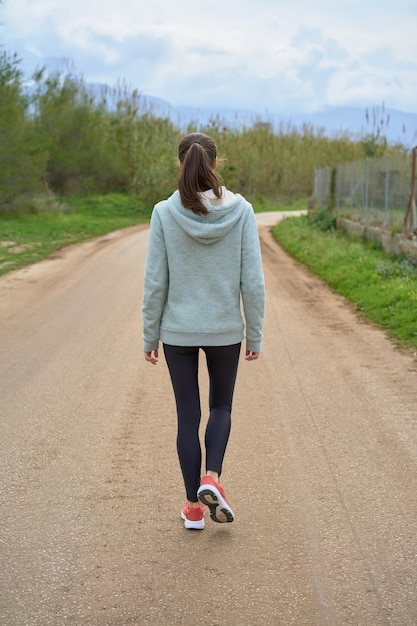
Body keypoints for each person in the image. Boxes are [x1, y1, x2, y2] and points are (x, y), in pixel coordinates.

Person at [142, 132, 265, 530]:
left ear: (181, 164)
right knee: (221, 407)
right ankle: (212, 478)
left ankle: (194, 508)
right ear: (215, 164)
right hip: (225, 330)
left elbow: (155, 282)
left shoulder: (164, 212)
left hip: (176, 332)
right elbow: (253, 281)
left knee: (186, 415)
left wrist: (149, 335)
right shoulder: (242, 210)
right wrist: (256, 333)